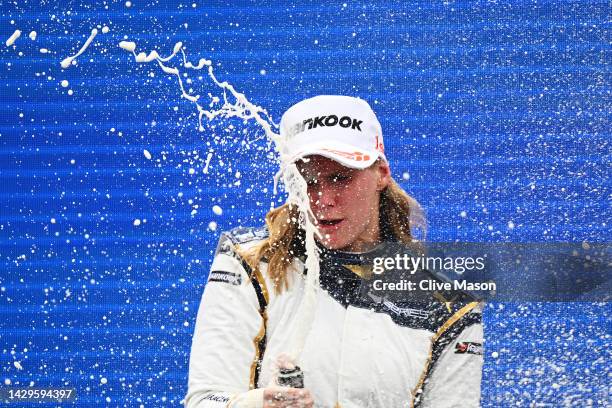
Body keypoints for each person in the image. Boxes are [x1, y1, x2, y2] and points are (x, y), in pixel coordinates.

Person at [184, 95, 484, 407]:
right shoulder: (247, 263)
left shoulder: (448, 303)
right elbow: (206, 400)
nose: (322, 200)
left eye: (340, 178)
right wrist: (259, 404)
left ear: (381, 172)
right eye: (307, 180)